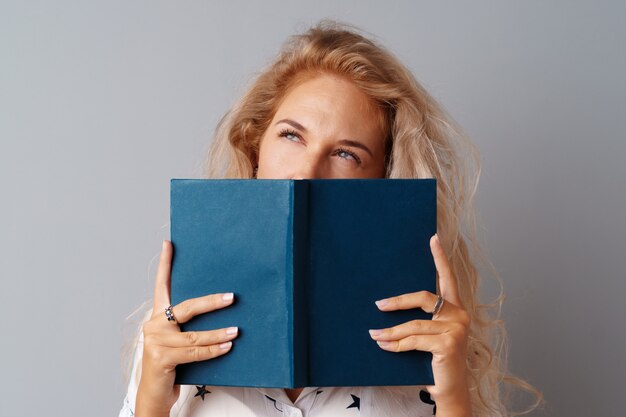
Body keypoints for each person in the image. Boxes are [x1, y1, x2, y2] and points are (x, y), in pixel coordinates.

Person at [119, 20, 542, 417]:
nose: (307, 170)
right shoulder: (172, 332)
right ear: (254, 147)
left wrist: (452, 396)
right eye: (291, 135)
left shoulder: (423, 339)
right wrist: (151, 401)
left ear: (382, 178)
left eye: (346, 153)